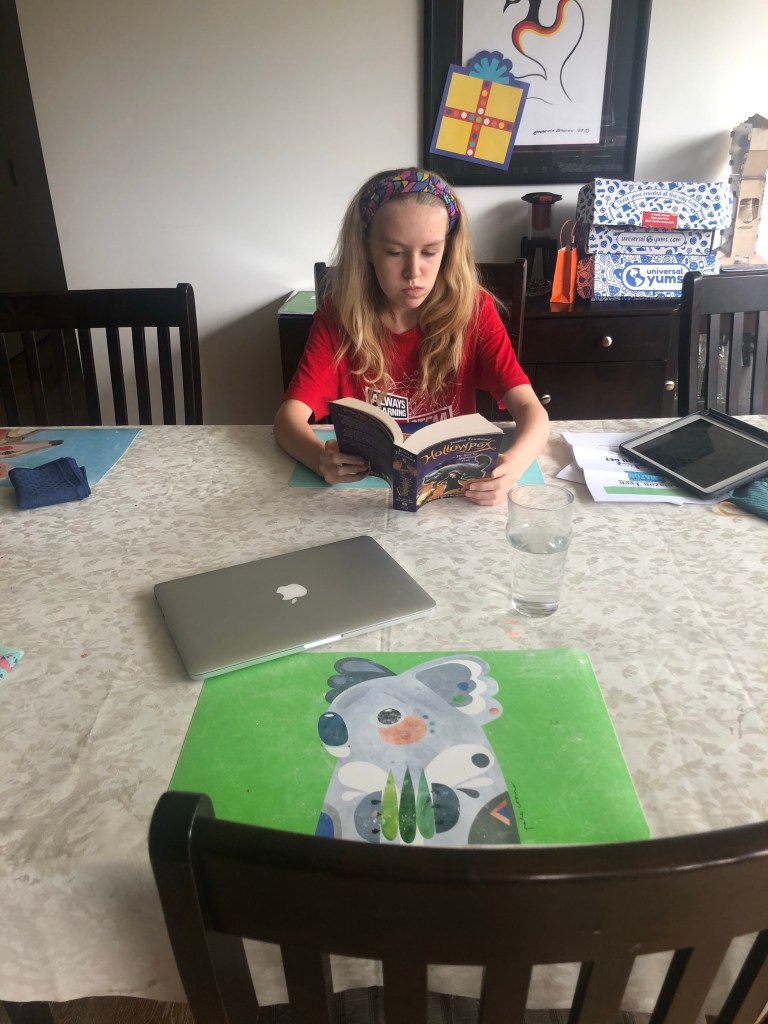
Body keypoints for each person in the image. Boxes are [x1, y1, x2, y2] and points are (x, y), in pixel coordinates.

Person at [274, 166, 549, 506]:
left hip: (453, 498)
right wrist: (319, 458)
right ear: (367, 248)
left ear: (448, 249)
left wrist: (513, 466)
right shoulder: (338, 317)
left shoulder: (474, 312)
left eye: (430, 252)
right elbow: (287, 420)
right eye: (394, 253)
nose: (413, 272)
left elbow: (532, 411)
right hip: (362, 500)